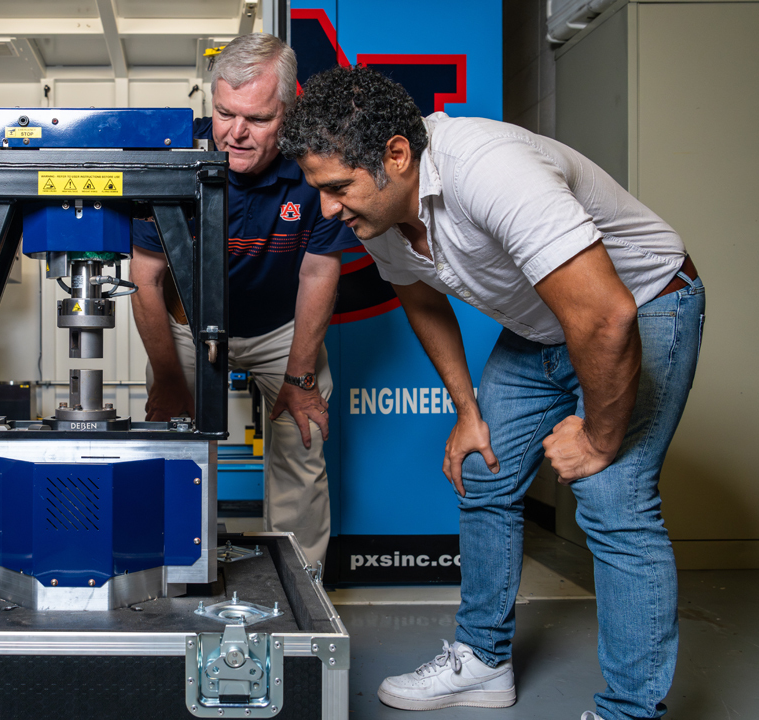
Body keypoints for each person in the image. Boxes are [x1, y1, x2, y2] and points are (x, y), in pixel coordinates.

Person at [279, 66, 703, 720]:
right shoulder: (384, 215)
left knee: (614, 499)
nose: (328, 209)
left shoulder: (489, 169)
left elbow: (605, 315)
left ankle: (630, 712)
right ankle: (483, 662)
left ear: (396, 154)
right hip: (543, 324)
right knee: (483, 467)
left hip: (644, 305)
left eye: (338, 188)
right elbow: (421, 299)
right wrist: (468, 412)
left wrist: (598, 438)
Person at [130, 33, 361, 567]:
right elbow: (146, 276)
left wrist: (301, 378)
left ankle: (302, 588)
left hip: (281, 329)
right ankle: (176, 576)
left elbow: (319, 270)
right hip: (190, 326)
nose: (234, 134)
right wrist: (168, 379)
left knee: (302, 446)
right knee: (175, 448)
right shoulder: (172, 159)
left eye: (256, 119)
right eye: (225, 114)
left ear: (288, 110)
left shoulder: (315, 162)